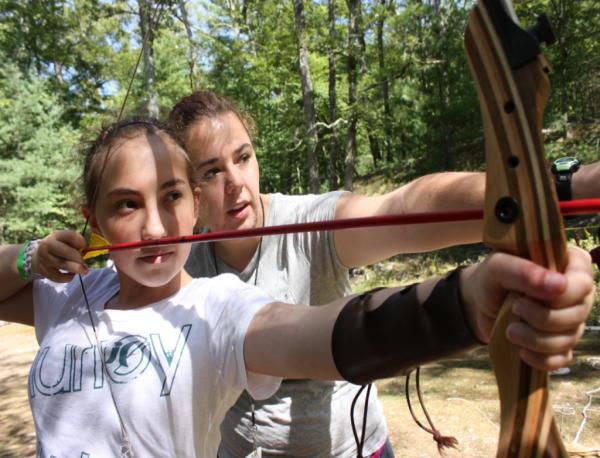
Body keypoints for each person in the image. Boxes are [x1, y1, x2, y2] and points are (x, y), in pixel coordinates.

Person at [0, 118, 594, 458]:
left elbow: (332, 324)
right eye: (127, 205)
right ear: (95, 219)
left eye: (245, 158)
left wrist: (471, 294)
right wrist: (28, 257)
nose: (236, 185)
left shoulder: (231, 291)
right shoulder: (74, 291)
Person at [166, 91, 595, 457]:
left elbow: (404, 211)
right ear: (189, 189)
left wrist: (559, 190)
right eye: (211, 170)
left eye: (243, 157)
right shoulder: (181, 264)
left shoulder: (308, 223)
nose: (236, 182)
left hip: (352, 447)